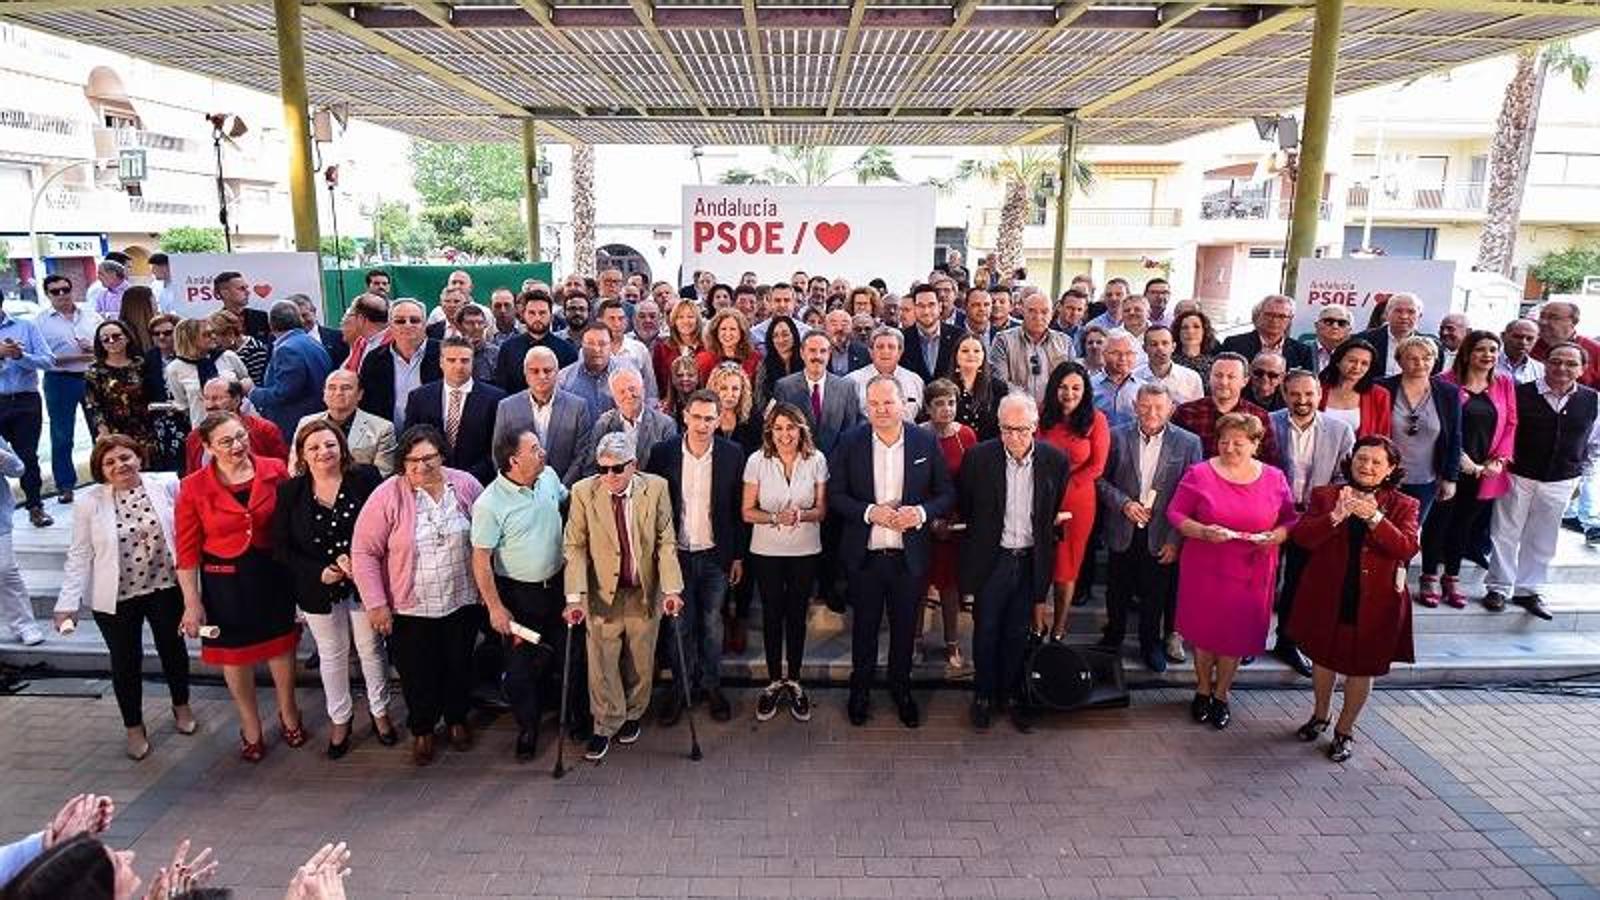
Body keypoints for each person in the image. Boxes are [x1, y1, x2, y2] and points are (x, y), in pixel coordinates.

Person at [351, 425, 486, 766]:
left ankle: (456, 719)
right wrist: (376, 604)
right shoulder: (387, 496)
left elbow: (486, 537)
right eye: (412, 460)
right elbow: (364, 552)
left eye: (428, 458)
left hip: (462, 598)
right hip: (411, 606)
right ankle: (423, 728)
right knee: (417, 672)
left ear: (442, 455)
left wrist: (488, 590)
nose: (420, 467)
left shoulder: (466, 485)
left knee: (458, 663)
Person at [52, 435, 194, 759]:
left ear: (139, 457)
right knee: (125, 661)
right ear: (101, 470)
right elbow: (79, 554)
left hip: (164, 586)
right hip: (116, 596)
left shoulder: (166, 484)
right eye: (110, 462)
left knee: (173, 649)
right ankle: (133, 726)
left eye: (125, 457)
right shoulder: (89, 502)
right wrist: (66, 603)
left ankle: (181, 706)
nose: (120, 466)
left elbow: (185, 533)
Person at [175, 411, 302, 762]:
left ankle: (289, 711)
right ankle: (250, 724)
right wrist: (191, 601)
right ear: (208, 447)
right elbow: (186, 549)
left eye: (241, 437)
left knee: (281, 645)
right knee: (235, 654)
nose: (237, 446)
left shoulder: (275, 469)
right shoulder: (193, 486)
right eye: (226, 441)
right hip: (224, 579)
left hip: (272, 572)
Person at [829, 376, 955, 729]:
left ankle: (902, 690)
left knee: (903, 631)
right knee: (864, 630)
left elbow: (946, 493)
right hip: (865, 557)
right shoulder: (850, 441)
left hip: (908, 558)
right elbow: (836, 495)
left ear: (904, 405)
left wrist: (921, 513)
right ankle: (861, 691)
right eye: (874, 404)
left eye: (888, 403)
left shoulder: (925, 441)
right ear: (866, 407)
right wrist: (871, 512)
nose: (881, 410)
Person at [1288, 435, 1421, 762]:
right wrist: (1335, 516)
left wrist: (1375, 518)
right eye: (1362, 459)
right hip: (1329, 591)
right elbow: (1302, 538)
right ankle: (1321, 715)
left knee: (1363, 667)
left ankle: (1345, 730)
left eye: (1377, 462)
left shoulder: (1405, 505)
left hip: (1376, 600)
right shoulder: (1326, 495)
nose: (1368, 467)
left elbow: (1407, 548)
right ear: (1352, 460)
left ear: (1390, 469)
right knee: (1323, 657)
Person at [271, 420, 394, 759]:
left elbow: (387, 525)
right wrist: (317, 572)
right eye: (313, 448)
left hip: (363, 583)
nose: (323, 452)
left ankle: (380, 711)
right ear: (302, 455)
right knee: (332, 654)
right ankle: (340, 719)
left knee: (371, 648)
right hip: (318, 589)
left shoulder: (366, 478)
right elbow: (280, 547)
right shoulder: (290, 492)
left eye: (329, 444)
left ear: (341, 447)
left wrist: (364, 562)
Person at [1166, 412, 1297, 729]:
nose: (1229, 448)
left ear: (1255, 444)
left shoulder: (1275, 477)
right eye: (1224, 441)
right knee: (1206, 633)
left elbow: (1290, 520)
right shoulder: (1199, 473)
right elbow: (1175, 512)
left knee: (1234, 637)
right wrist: (1202, 531)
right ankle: (1201, 690)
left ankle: (1222, 694)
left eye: (1238, 443)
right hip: (1206, 567)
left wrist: (1275, 536)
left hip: (1251, 570)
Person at [561, 432, 685, 762]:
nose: (609, 477)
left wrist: (672, 589)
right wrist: (574, 596)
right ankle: (605, 723)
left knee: (641, 660)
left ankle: (632, 713)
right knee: (601, 661)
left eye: (617, 469)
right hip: (603, 591)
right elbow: (574, 545)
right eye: (602, 470)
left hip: (643, 588)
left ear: (634, 465)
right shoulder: (583, 492)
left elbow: (665, 541)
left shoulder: (655, 487)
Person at [958, 394, 1068, 732]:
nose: (1014, 438)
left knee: (1018, 633)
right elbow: (967, 506)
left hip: (1030, 559)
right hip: (994, 560)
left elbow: (1051, 509)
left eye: (1021, 430)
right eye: (1007, 429)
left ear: (1034, 427)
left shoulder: (1055, 460)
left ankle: (1011, 694)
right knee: (986, 630)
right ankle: (984, 696)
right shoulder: (978, 458)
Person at [644, 389, 746, 725]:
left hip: (716, 554)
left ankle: (712, 686)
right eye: (696, 417)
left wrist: (737, 557)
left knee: (712, 625)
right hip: (676, 556)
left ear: (719, 420)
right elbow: (653, 507)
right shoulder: (663, 453)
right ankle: (681, 689)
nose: (702, 425)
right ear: (684, 416)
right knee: (679, 626)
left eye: (709, 418)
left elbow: (736, 510)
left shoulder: (733, 454)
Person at [470, 426, 572, 762]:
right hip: (518, 598)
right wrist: (495, 609)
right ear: (514, 460)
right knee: (519, 671)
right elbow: (481, 561)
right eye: (535, 449)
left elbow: (565, 501)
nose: (543, 453)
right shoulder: (489, 504)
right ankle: (528, 728)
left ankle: (573, 716)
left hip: (557, 588)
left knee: (570, 655)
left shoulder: (549, 477)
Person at [1484, 343, 1599, 619]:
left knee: (1543, 536)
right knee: (1505, 532)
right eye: (1556, 361)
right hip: (1518, 473)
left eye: (1571, 364)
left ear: (1582, 369)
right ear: (1545, 363)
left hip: (1563, 477)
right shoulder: (1520, 393)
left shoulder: (1593, 400)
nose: (1562, 368)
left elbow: (1595, 444)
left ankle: (1529, 590)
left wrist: (1583, 478)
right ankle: (1498, 587)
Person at [1097, 383, 1202, 671]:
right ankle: (1113, 636)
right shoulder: (1116, 437)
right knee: (1116, 589)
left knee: (1155, 593)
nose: (1151, 412)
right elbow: (1101, 481)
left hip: (1163, 532)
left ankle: (1149, 643)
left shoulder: (1188, 443)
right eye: (1145, 406)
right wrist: (1123, 504)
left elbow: (1192, 495)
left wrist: (1175, 540)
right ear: (1135, 407)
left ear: (1171, 409)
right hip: (1123, 526)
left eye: (1158, 407)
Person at [741, 402, 828, 722]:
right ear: (770, 431)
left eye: (790, 428)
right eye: (778, 428)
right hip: (767, 551)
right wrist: (777, 516)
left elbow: (821, 511)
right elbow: (747, 512)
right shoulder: (756, 461)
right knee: (772, 614)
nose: (784, 434)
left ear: (801, 429)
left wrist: (801, 515)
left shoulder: (816, 460)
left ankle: (795, 680)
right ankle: (774, 681)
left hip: (806, 549)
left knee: (796, 615)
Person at [1419, 331, 1519, 606]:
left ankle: (1451, 576)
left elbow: (1511, 423)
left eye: (1492, 350)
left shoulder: (1504, 382)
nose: (1488, 355)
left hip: (1485, 471)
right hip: (1448, 466)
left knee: (1464, 525)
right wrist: (1461, 459)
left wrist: (1499, 459)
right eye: (1480, 350)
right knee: (1438, 523)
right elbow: (1438, 425)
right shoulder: (1442, 382)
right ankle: (1429, 576)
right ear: (1466, 353)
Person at [1269, 371, 1356, 676]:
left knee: (1298, 581)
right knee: (1262, 582)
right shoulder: (1268, 423)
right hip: (1272, 516)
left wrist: (1321, 511)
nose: (1302, 401)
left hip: (1314, 518)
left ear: (1320, 394)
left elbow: (1345, 477)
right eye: (1295, 394)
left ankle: (1287, 642)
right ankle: (1250, 641)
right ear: (1284, 393)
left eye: (1309, 394)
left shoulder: (1340, 430)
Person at [1037, 360, 1109, 640]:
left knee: (1067, 565)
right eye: (1063, 387)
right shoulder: (1042, 414)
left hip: (1078, 499)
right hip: (1041, 496)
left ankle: (1060, 626)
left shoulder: (1096, 420)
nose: (1069, 394)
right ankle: (1037, 623)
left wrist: (1064, 486)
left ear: (1085, 390)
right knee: (1040, 561)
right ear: (1054, 388)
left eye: (1076, 388)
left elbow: (1097, 466)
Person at [920, 379, 977, 671]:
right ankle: (916, 641)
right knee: (920, 585)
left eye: (951, 403)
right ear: (928, 407)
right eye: (940, 403)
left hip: (956, 523)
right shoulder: (918, 435)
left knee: (950, 587)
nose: (946, 409)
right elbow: (914, 485)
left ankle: (952, 643)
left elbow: (972, 482)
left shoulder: (966, 435)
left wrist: (957, 517)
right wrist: (930, 520)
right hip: (924, 521)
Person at [1378, 336, 1462, 522]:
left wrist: (1450, 477)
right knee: (1377, 530)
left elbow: (1454, 437)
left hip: (1425, 480)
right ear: (1399, 361)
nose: (1420, 363)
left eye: (1427, 357)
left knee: (1409, 533)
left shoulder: (1448, 393)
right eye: (1412, 358)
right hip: (1382, 477)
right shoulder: (1382, 388)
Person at [402, 337, 506, 485]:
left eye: (464, 360)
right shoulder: (419, 397)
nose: (458, 366)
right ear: (441, 363)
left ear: (473, 362)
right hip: (429, 480)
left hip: (477, 482)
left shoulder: (495, 399)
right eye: (451, 360)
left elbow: (498, 448)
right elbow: (409, 443)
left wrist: (465, 479)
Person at [34, 274, 99, 506]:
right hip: (59, 380)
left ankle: (103, 476)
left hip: (92, 377)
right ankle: (65, 485)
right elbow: (46, 359)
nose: (62, 295)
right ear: (48, 295)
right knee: (62, 435)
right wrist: (82, 356)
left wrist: (92, 350)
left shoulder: (90, 315)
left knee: (99, 428)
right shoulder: (40, 322)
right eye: (55, 291)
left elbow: (105, 344)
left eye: (65, 289)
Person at [494, 346, 595, 486]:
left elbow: (582, 455)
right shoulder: (507, 407)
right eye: (534, 371)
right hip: (520, 493)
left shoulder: (578, 407)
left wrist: (558, 490)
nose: (542, 376)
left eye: (547, 370)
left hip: (565, 493)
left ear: (557, 372)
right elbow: (499, 455)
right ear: (525, 373)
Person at [0, 293, 56, 528]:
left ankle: (35, 506)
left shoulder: (25, 326)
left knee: (28, 456)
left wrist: (20, 355)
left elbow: (48, 361)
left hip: (25, 400)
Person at [248, 301, 334, 445]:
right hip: (317, 419)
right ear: (298, 319)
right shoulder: (312, 342)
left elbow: (283, 393)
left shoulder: (287, 349)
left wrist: (252, 392)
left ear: (271, 324)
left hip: (295, 425)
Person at [1173, 353, 1280, 464]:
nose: (1224, 382)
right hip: (1197, 479)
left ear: (1245, 381)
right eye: (1218, 375)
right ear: (1209, 377)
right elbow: (1175, 457)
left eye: (1231, 377)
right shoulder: (1186, 412)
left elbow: (1269, 462)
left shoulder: (1259, 416)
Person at [357, 299, 441, 434]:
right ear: (390, 326)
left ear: (425, 324)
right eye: (400, 321)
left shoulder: (444, 354)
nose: (407, 325)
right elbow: (366, 404)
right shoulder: (374, 359)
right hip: (388, 441)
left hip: (434, 440)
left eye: (414, 320)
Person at [576, 368, 679, 478]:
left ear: (643, 389)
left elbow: (671, 470)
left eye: (632, 389)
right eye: (622, 392)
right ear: (614, 397)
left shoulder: (665, 424)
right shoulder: (603, 424)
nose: (629, 395)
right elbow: (591, 468)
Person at [84, 321, 159, 465]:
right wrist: (103, 433)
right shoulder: (94, 372)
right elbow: (93, 406)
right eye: (105, 339)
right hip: (115, 431)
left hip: (146, 429)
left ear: (127, 337)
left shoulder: (141, 364)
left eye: (116, 336)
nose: (111, 341)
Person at [774, 331, 860, 455]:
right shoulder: (784, 387)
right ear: (802, 353)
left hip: (835, 464)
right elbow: (780, 431)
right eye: (812, 350)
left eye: (823, 351)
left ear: (829, 354)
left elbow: (850, 430)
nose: (818, 356)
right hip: (798, 462)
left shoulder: (846, 387)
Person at [299, 369, 397, 477]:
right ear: (324, 394)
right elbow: (297, 467)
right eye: (331, 388)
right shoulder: (306, 423)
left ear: (360, 394)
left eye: (346, 388)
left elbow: (383, 474)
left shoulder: (382, 429)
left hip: (362, 491)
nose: (338, 393)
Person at [183, 378, 288, 473]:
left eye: (217, 398)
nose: (209, 405)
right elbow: (192, 476)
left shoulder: (264, 430)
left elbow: (282, 470)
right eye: (206, 398)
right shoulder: (194, 438)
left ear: (236, 400)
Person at [165, 318, 251, 432]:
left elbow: (247, 380)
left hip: (239, 423)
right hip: (204, 428)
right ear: (189, 339)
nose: (213, 337)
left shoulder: (228, 357)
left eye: (213, 332)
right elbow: (183, 404)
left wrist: (240, 388)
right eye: (206, 334)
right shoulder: (174, 369)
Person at [990, 291, 1074, 406]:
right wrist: (1027, 404)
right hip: (1015, 410)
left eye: (1044, 312)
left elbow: (1072, 380)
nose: (1038, 317)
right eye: (1032, 311)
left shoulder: (1065, 343)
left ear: (1052, 313)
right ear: (1022, 311)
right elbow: (999, 382)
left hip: (1055, 411)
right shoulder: (1003, 340)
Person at [493, 291, 577, 392]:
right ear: (523, 315)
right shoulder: (508, 349)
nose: (537, 318)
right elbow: (501, 389)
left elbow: (571, 390)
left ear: (551, 316)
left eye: (542, 313)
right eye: (532, 313)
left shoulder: (567, 350)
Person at [845, 326, 925, 422]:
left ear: (900, 351)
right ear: (871, 351)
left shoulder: (915, 381)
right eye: (880, 347)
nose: (885, 351)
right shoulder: (852, 381)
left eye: (891, 347)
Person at [1318, 337, 1391, 439]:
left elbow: (1383, 436)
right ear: (1338, 361)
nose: (1357, 367)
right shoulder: (1317, 389)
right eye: (1352, 361)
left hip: (1360, 454)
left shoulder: (1380, 395)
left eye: (1364, 363)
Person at [1219, 295, 1314, 372]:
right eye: (1269, 315)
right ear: (1259, 315)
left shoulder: (1302, 352)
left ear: (1290, 319)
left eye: (1282, 316)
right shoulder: (1234, 345)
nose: (1274, 320)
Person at [901, 283, 962, 383]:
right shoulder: (903, 339)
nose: (926, 311)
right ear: (914, 309)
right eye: (921, 306)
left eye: (931, 305)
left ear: (940, 306)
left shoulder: (958, 336)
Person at [1135, 324, 1202, 405]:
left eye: (1165, 343)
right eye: (1154, 344)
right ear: (1144, 348)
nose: (1160, 348)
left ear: (1173, 347)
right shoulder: (1134, 378)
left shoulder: (1191, 378)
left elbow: (1198, 413)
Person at [706, 361, 764, 454]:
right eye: (723, 388)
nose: (730, 394)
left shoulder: (754, 417)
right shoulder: (705, 416)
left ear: (742, 391)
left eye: (735, 389)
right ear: (714, 389)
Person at [695, 308, 761, 385]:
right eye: (723, 329)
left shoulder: (754, 358)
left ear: (741, 332)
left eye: (733, 329)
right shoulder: (703, 359)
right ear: (716, 332)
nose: (728, 333)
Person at [1091, 332, 1144, 428]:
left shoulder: (1144, 388)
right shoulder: (1089, 386)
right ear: (1103, 354)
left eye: (1129, 353)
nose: (1123, 358)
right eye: (1116, 353)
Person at [653, 299, 703, 399]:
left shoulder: (708, 347)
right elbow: (658, 381)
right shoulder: (662, 348)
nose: (685, 321)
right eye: (680, 317)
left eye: (690, 316)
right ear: (674, 321)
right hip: (670, 405)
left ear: (697, 320)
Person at [753, 315, 804, 410]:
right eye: (775, 336)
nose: (780, 340)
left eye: (785, 334)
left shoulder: (806, 361)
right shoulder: (764, 366)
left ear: (794, 335)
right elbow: (759, 401)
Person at [210, 309, 270, 385]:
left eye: (216, 340)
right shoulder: (217, 353)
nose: (214, 345)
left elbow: (258, 384)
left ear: (230, 334)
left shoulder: (255, 350)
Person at [1171, 308, 1220, 386]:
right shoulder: (1169, 363)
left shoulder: (1215, 365)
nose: (1190, 331)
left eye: (1196, 327)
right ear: (1178, 333)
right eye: (1185, 327)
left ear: (1205, 331)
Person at [1498, 317, 1545, 385]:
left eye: (1529, 338)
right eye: (1517, 337)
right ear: (1503, 336)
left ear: (1536, 340)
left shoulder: (1540, 370)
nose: (1523, 342)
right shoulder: (1488, 361)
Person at [1309, 305, 1354, 373]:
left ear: (1350, 329)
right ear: (1316, 325)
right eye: (1328, 322)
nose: (1335, 326)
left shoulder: (1355, 355)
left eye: (1342, 323)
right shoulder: (1301, 350)